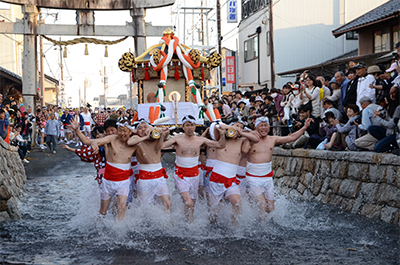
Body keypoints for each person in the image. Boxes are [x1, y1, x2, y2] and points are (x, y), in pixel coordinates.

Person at [242, 116, 312, 216]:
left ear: (269, 128)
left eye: (266, 125)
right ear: (256, 127)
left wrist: (305, 127)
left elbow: (291, 137)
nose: (264, 127)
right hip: (253, 179)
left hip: (267, 179)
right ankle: (260, 228)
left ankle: (268, 227)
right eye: (261, 125)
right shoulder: (250, 139)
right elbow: (244, 150)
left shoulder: (272, 139)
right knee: (262, 205)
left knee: (271, 209)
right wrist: (250, 135)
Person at [162, 115, 226, 222]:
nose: (190, 128)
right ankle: (179, 220)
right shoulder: (177, 139)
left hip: (194, 175)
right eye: (187, 125)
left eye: (192, 125)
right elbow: (160, 146)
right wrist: (163, 135)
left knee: (192, 205)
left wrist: (223, 134)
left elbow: (220, 145)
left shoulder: (200, 140)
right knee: (188, 202)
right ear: (183, 127)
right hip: (180, 175)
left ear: (195, 126)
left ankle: (188, 224)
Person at [90, 118, 151, 220]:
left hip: (127, 177)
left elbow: (147, 158)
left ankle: (120, 228)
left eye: (125, 131)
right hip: (110, 178)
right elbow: (91, 142)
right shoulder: (112, 140)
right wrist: (93, 143)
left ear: (130, 131)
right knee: (104, 211)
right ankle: (100, 226)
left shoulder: (134, 141)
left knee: (123, 206)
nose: (122, 133)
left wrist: (143, 136)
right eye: (120, 130)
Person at [207, 120, 260, 224]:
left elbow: (256, 139)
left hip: (231, 180)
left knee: (237, 203)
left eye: (241, 127)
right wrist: (232, 128)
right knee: (214, 211)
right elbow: (215, 126)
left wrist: (243, 133)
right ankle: (211, 226)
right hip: (216, 178)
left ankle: (234, 227)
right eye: (236, 126)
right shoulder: (221, 139)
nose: (238, 128)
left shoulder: (241, 141)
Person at [133, 119, 171, 212]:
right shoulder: (136, 140)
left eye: (145, 127)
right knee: (145, 207)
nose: (143, 130)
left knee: (167, 203)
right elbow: (129, 141)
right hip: (145, 178)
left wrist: (159, 130)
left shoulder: (155, 137)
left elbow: (166, 132)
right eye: (140, 128)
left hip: (159, 177)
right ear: (136, 131)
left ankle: (168, 225)